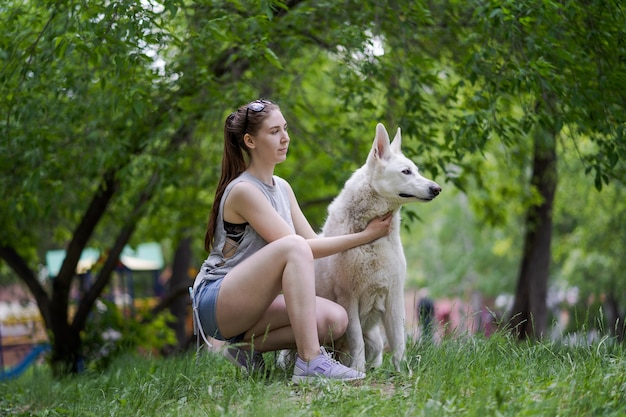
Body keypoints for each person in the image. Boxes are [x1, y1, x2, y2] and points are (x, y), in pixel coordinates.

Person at [191, 99, 393, 384]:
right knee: (293, 246)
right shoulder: (244, 191)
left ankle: (243, 349)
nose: (285, 137)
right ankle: (310, 361)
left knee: (336, 319)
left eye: (285, 128)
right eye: (274, 132)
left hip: (254, 303)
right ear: (250, 140)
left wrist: (363, 229)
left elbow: (314, 243)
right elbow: (300, 247)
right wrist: (365, 236)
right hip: (219, 300)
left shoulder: (283, 188)